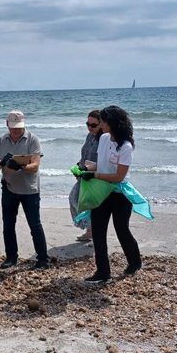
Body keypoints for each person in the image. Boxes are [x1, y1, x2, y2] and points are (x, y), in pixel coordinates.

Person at [78, 105, 142, 283]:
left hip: (119, 194)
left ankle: (135, 262)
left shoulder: (126, 146)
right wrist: (84, 169)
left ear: (113, 123)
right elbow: (100, 164)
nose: (101, 124)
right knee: (98, 232)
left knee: (122, 230)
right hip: (101, 192)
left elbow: (119, 176)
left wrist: (95, 175)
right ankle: (103, 272)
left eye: (104, 121)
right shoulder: (104, 138)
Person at [0, 110, 50, 270]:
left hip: (30, 190)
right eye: (13, 127)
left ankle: (43, 259)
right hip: (8, 188)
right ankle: (11, 257)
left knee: (34, 225)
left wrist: (21, 166)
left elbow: (35, 166)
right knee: (8, 225)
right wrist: (3, 163)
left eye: (19, 127)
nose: (16, 131)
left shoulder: (33, 140)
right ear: (7, 125)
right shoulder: (0, 141)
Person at [69, 110, 103, 242]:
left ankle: (93, 232)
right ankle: (90, 230)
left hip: (95, 177)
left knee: (89, 205)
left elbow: (105, 162)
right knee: (74, 199)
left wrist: (89, 170)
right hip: (83, 175)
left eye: (93, 125)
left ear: (102, 124)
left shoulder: (104, 139)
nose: (90, 127)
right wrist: (79, 165)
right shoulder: (90, 136)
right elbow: (85, 154)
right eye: (87, 124)